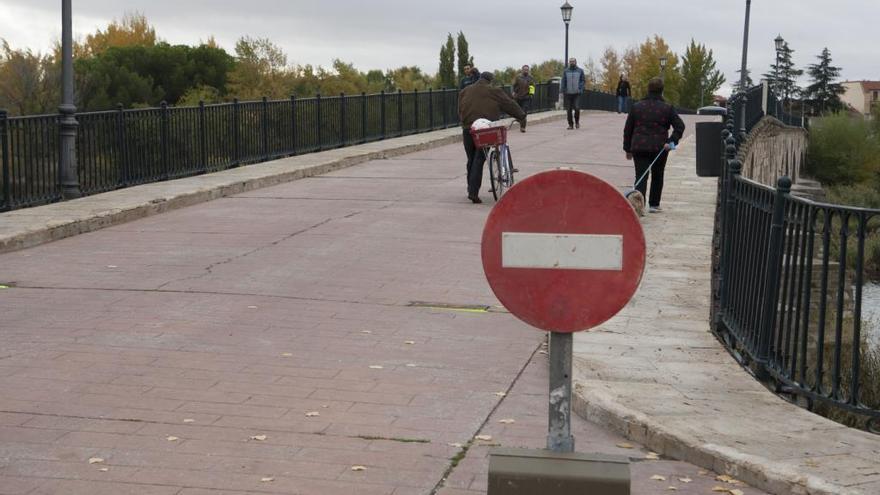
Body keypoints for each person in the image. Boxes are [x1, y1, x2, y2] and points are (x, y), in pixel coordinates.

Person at [459, 72, 526, 204]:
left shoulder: (465, 90)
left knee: (471, 159)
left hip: (468, 128)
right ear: (490, 81)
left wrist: (465, 122)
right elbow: (509, 103)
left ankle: (470, 188)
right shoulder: (494, 91)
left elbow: (460, 108)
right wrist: (521, 115)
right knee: (479, 158)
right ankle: (473, 192)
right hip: (485, 129)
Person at [623, 77, 685, 213]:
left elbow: (628, 129)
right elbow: (680, 126)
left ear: (648, 89)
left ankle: (638, 206)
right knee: (658, 175)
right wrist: (671, 141)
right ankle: (654, 204)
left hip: (639, 146)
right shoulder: (667, 108)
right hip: (660, 148)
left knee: (641, 175)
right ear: (662, 91)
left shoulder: (636, 107)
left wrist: (627, 149)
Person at [560, 58, 585, 130]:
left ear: (576, 62)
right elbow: (563, 81)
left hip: (577, 93)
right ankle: (570, 124)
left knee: (577, 108)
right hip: (568, 93)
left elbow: (583, 80)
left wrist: (580, 89)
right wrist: (562, 90)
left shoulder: (580, 71)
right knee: (569, 110)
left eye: (573, 61)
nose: (571, 63)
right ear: (569, 62)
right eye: (570, 62)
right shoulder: (566, 71)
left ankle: (577, 122)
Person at [512, 65, 535, 133]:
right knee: (518, 111)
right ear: (522, 70)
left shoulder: (531, 78)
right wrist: (513, 92)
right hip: (518, 97)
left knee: (524, 112)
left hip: (526, 97)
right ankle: (518, 119)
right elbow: (513, 85)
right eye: (524, 69)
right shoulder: (518, 77)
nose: (526, 71)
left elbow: (532, 87)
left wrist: (531, 94)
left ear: (528, 70)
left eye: (527, 70)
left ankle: (523, 127)